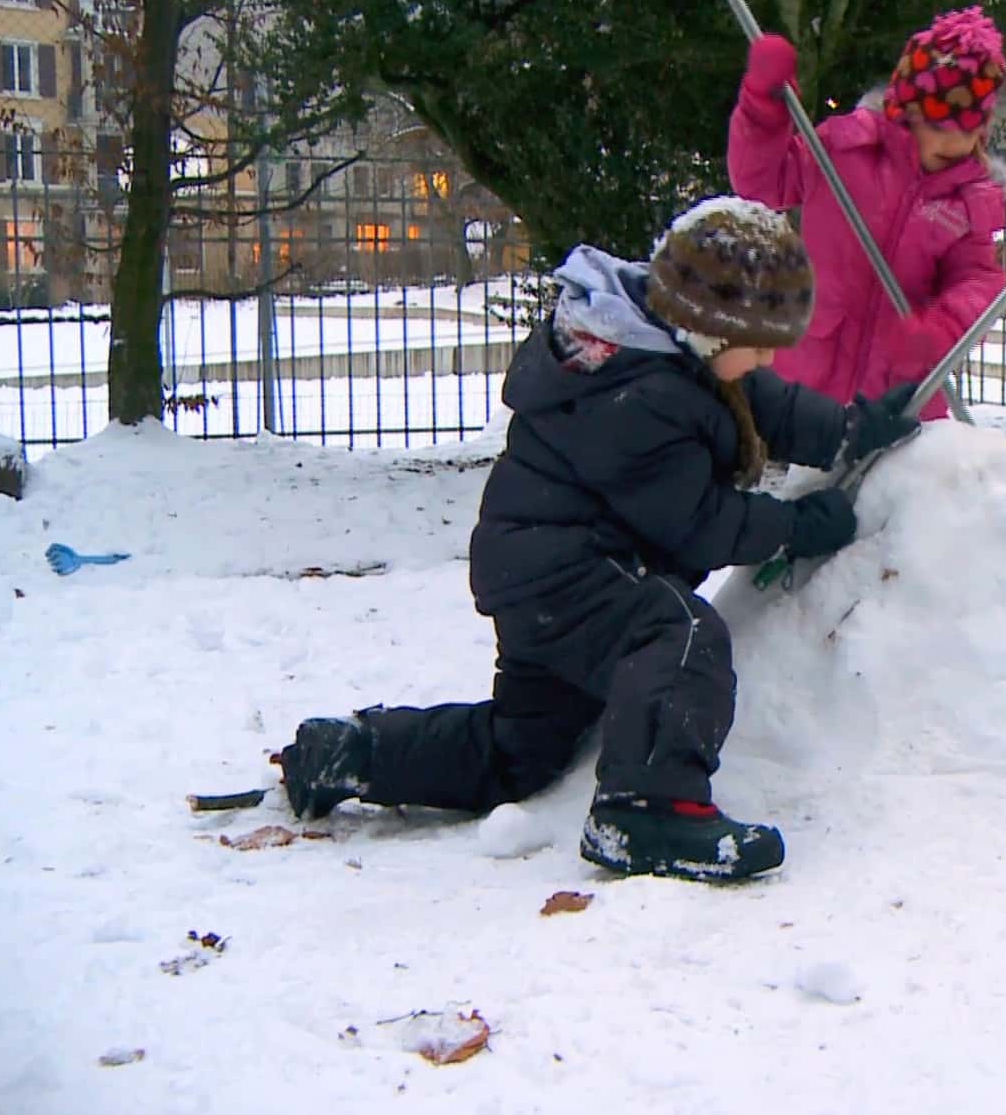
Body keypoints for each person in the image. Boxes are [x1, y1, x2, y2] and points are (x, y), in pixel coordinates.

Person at [273, 197, 919, 883]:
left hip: (547, 571)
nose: (767, 358)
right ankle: (646, 810)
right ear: (711, 330)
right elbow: (698, 523)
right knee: (681, 634)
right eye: (758, 343)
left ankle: (356, 754)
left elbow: (765, 404)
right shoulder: (640, 393)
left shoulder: (666, 348)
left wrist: (846, 432)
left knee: (522, 751)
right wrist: (796, 529)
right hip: (568, 573)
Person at [729, 4, 1006, 421]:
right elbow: (762, 182)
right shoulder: (845, 149)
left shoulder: (968, 199)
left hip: (896, 402)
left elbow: (976, 279)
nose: (952, 144)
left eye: (968, 130)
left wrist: (941, 331)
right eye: (937, 126)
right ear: (904, 111)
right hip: (804, 386)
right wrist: (761, 110)